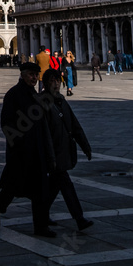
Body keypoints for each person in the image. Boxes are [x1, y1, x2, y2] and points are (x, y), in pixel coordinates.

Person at [0, 61, 56, 238]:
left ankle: (40, 227)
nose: (34, 78)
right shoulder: (13, 95)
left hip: (37, 150)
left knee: (40, 190)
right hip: (20, 152)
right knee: (13, 186)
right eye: (31, 75)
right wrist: (18, 142)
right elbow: (6, 123)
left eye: (36, 75)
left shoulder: (34, 94)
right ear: (23, 74)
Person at [40, 68, 93, 231]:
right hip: (54, 153)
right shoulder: (42, 104)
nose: (56, 84)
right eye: (52, 81)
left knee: (56, 185)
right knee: (66, 184)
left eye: (58, 81)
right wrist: (50, 157)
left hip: (63, 150)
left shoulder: (62, 101)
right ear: (46, 84)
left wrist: (85, 146)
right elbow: (44, 134)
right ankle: (79, 218)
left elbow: (75, 125)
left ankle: (41, 213)